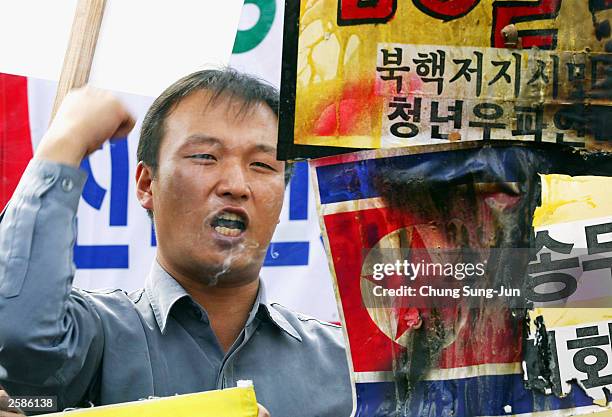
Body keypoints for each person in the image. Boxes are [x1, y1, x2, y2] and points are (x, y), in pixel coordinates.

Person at [0, 69, 353, 416]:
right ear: (145, 184)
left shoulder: (346, 369)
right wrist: (65, 144)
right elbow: (19, 337)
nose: (235, 184)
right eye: (205, 157)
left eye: (261, 165)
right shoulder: (95, 337)